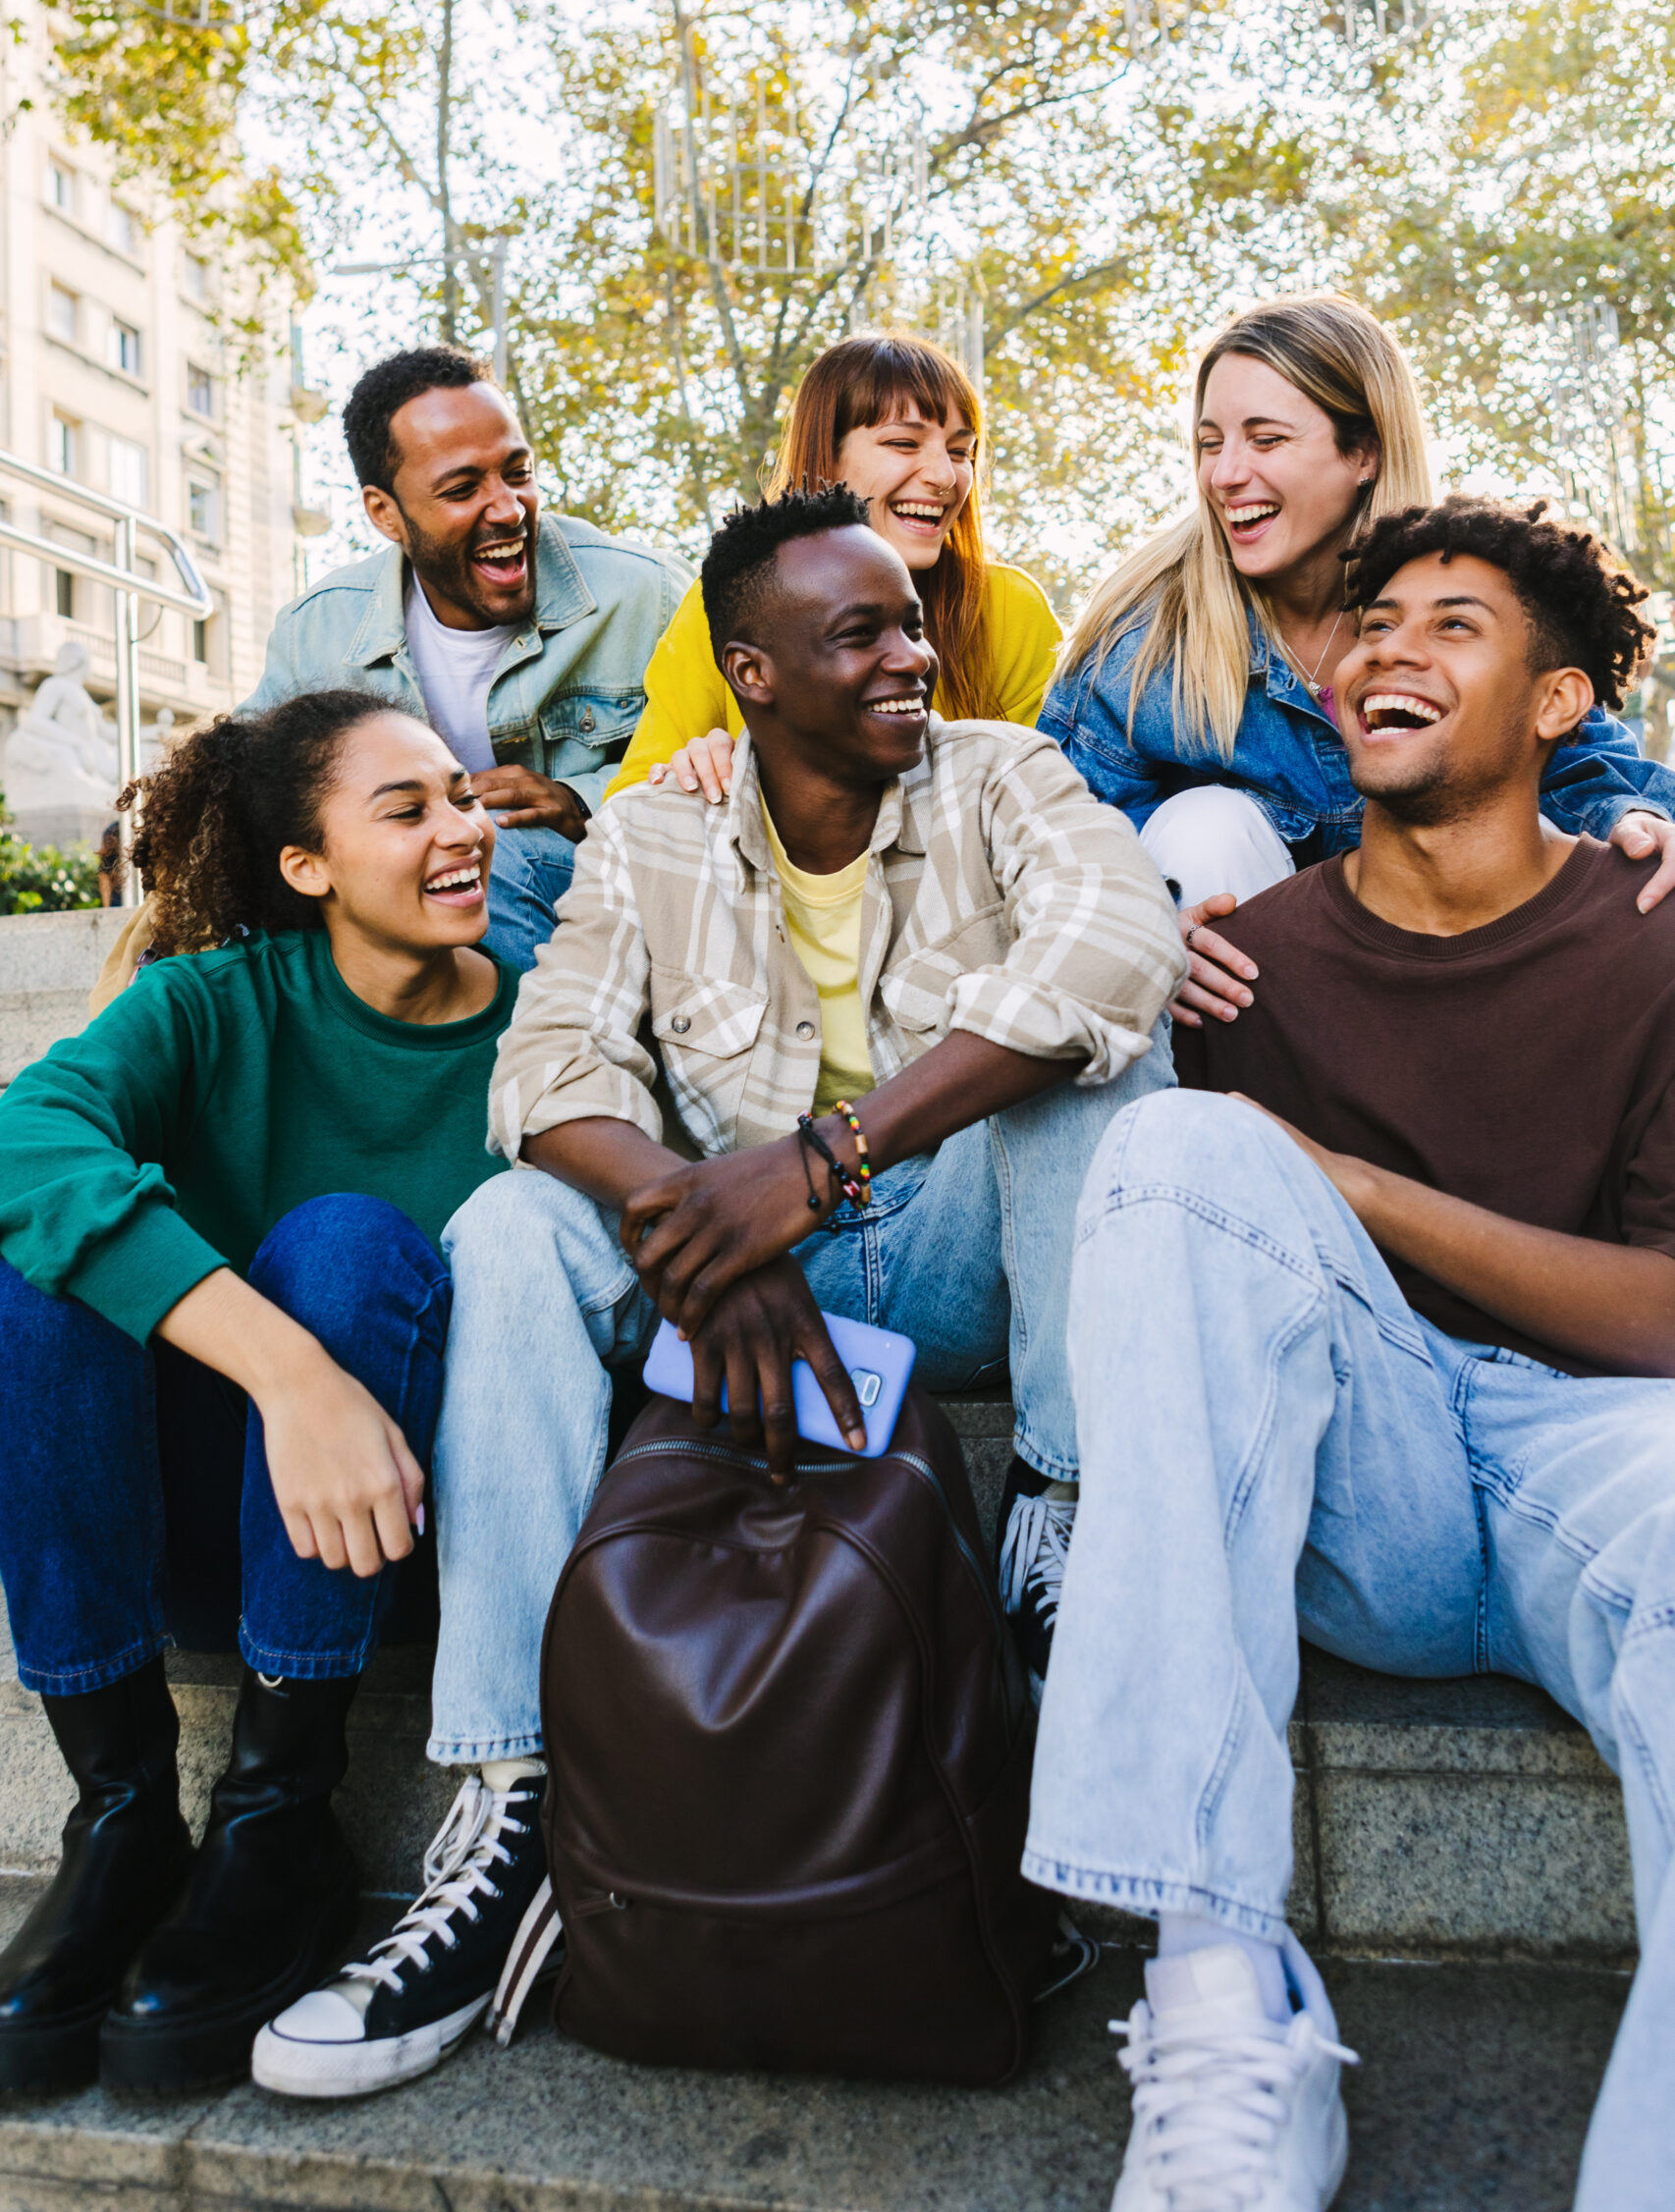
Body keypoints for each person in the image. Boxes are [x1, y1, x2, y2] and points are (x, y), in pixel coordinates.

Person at [254, 483, 1183, 2100]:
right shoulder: (656, 830)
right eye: (860, 633)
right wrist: (710, 1228)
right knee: (511, 1230)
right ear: (749, 672)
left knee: (1100, 1071)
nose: (909, 654)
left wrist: (815, 1164)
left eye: (911, 618)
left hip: (950, 1241)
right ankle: (513, 1799)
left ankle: (1054, 1518)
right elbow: (544, 1075)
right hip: (745, 1248)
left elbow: (1115, 951)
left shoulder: (1004, 772)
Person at [1024, 498, 1675, 2212]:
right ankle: (1219, 1985)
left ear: (1557, 706)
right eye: (1370, 620)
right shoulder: (1246, 967)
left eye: (1451, 625)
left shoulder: (1652, 932)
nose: (1386, 644)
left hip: (1596, 1456)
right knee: (1164, 1153)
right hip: (1348, 1481)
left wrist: (1366, 1191)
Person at [0, 692, 521, 2096]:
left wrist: (340, 1364)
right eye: (405, 810)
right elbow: (18, 1144)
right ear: (306, 868)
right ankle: (120, 1817)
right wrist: (291, 1373)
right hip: (189, 1541)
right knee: (35, 1264)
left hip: (407, 1547)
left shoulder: (549, 1026)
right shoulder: (212, 1004)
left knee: (345, 1244)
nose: (460, 830)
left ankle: (279, 1818)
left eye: (461, 797)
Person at [1040, 292, 1675, 1035]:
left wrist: (1634, 816)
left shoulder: (1463, 588)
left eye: (1266, 439)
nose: (1225, 474)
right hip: (1242, 1007)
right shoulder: (1145, 643)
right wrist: (1138, 933)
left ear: (1364, 452)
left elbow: (1569, 753)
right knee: (1204, 823)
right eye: (1211, 443)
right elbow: (1054, 840)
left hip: (1441, 964)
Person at [91, 345, 688, 1004]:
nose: (509, 509)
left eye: (516, 473)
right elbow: (245, 801)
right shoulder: (319, 632)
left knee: (487, 853)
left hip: (587, 882)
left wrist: (582, 798)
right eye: (463, 489)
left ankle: (535, 1089)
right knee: (183, 940)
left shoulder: (646, 595)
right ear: (384, 514)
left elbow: (738, 771)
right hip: (390, 905)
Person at [610, 331, 1060, 801]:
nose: (945, 477)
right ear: (828, 456)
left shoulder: (1009, 609)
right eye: (904, 443)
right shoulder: (726, 600)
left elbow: (1052, 799)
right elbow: (630, 799)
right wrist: (688, 775)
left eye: (959, 451)